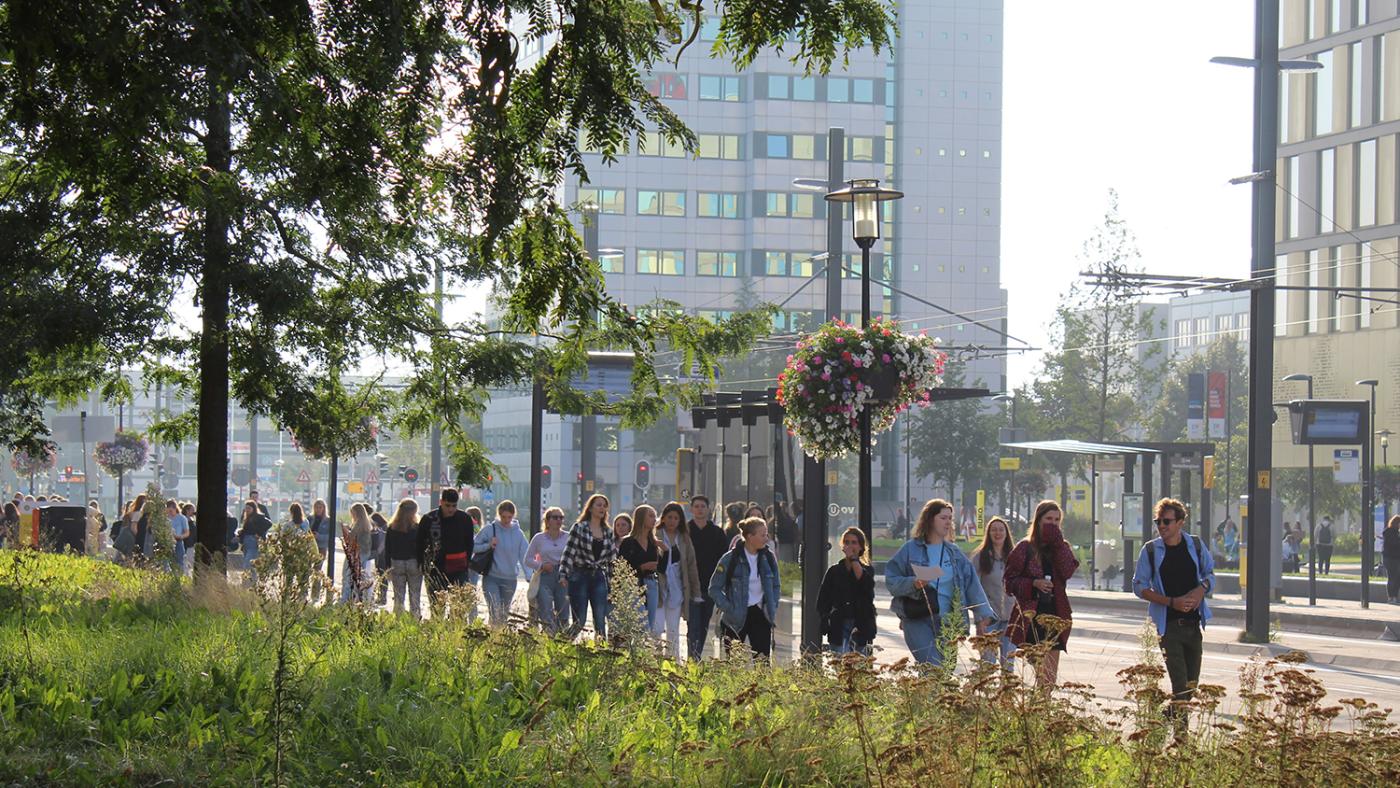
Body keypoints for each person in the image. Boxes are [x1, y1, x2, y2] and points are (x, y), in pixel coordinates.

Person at [1133, 497, 1215, 733]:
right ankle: (1182, 741)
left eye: (1167, 521)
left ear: (1180, 522)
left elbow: (1210, 574)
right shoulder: (1150, 550)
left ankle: (1159, 721)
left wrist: (1201, 590)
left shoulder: (1195, 546)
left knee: (1191, 687)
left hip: (1193, 625)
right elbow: (1139, 586)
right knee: (1180, 687)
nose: (1161, 526)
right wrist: (1171, 602)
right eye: (1158, 521)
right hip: (1169, 627)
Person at [885, 499, 992, 666]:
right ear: (929, 520)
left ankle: (922, 692)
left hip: (949, 621)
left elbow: (973, 586)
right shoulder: (910, 549)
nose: (948, 522)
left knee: (946, 669)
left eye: (950, 518)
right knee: (933, 667)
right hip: (918, 618)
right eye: (943, 518)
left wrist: (983, 615)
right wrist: (913, 583)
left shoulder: (954, 552)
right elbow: (891, 580)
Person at [1004, 500, 1079, 688]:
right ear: (1038, 520)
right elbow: (1009, 582)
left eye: (1056, 520)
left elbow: (1068, 571)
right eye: (1048, 519)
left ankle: (1040, 712)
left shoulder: (1061, 547)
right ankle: (1036, 711)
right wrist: (1034, 583)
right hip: (1032, 617)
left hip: (1055, 615)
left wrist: (1058, 543)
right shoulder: (1025, 548)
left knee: (1049, 680)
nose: (1052, 524)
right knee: (1042, 674)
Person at [709, 516, 781, 660]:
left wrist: (772, 606)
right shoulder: (730, 559)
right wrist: (729, 607)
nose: (766, 538)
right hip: (735, 618)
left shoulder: (768, 557)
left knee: (762, 664)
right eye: (762, 535)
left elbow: (775, 586)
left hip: (761, 615)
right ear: (750, 537)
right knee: (734, 664)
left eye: (766, 534)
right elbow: (714, 588)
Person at [560, 494, 616, 639]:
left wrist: (613, 585)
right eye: (598, 505)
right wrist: (563, 574)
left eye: (604, 506)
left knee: (600, 622)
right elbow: (569, 553)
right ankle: (560, 645)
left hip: (599, 577)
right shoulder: (579, 527)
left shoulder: (608, 532)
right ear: (590, 508)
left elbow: (611, 560)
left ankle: (602, 656)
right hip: (579, 576)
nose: (602, 508)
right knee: (580, 622)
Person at [817, 526, 876, 655]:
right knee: (841, 664)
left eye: (854, 543)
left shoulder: (867, 570)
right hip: (839, 623)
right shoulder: (834, 571)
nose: (850, 546)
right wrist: (825, 618)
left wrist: (854, 559)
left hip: (860, 624)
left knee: (857, 666)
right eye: (847, 542)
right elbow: (823, 598)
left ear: (861, 546)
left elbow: (865, 583)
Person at [656, 501, 701, 659]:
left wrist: (696, 592)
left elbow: (691, 565)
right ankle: (654, 661)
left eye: (676, 518)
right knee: (656, 628)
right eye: (669, 517)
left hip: (677, 587)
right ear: (663, 518)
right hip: (659, 587)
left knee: (673, 629)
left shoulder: (684, 539)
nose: (672, 521)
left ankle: (672, 661)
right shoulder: (656, 535)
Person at [474, 500, 530, 626]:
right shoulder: (490, 529)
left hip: (510, 579)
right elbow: (473, 546)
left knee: (503, 615)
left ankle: (496, 638)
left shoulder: (518, 533)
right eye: (503, 517)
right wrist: (488, 545)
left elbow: (524, 555)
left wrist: (528, 574)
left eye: (509, 517)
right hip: (491, 577)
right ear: (499, 515)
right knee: (495, 611)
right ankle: (493, 637)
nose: (506, 520)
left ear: (513, 516)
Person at [687, 495, 728, 660]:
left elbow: (724, 559)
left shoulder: (717, 532)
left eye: (702, 506)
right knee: (693, 624)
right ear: (691, 509)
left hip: (710, 586)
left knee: (704, 624)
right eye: (696, 506)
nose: (699, 509)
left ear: (708, 509)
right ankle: (692, 657)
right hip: (690, 586)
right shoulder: (686, 530)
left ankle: (696, 655)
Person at [418, 488, 476, 604]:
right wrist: (422, 564)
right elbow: (419, 543)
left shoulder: (464, 519)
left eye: (454, 506)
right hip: (435, 569)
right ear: (441, 502)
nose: (451, 509)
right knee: (437, 607)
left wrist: (467, 563)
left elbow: (469, 543)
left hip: (459, 568)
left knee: (459, 607)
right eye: (447, 505)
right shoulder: (429, 519)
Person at [972, 516, 1016, 670]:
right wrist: (979, 619)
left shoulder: (1015, 556)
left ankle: (1006, 695)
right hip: (989, 619)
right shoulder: (980, 557)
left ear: (1006, 533)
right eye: (994, 530)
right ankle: (976, 693)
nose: (998, 533)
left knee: (1008, 667)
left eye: (1001, 529)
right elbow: (973, 588)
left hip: (1010, 620)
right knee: (988, 666)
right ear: (989, 533)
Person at [619, 504, 668, 636]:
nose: (654, 519)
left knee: (650, 624)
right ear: (641, 518)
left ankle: (640, 654)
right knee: (642, 624)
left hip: (652, 584)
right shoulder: (628, 542)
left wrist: (666, 550)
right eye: (650, 515)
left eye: (655, 516)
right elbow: (621, 566)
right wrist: (641, 567)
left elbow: (662, 568)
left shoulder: (654, 543)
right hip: (634, 585)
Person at [525, 506, 571, 633]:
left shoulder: (568, 537)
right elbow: (527, 559)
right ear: (547, 520)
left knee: (563, 609)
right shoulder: (539, 538)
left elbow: (574, 556)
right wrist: (541, 565)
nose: (558, 520)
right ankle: (549, 636)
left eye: (561, 517)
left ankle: (561, 639)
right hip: (545, 575)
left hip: (563, 575)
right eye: (555, 517)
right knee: (545, 606)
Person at [382, 498, 424, 617]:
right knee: (415, 594)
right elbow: (421, 547)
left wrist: (387, 567)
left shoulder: (392, 527)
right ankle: (415, 618)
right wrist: (422, 563)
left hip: (396, 563)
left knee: (399, 595)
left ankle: (399, 618)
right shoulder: (417, 528)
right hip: (414, 563)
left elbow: (388, 549)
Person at [340, 503, 375, 604]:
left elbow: (351, 538)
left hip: (355, 554)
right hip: (364, 554)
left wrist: (345, 528)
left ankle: (345, 599)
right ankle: (357, 599)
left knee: (347, 576)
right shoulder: (366, 524)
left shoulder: (359, 524)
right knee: (358, 577)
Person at [236, 500, 273, 586]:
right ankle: (251, 583)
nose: (247, 510)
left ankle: (247, 582)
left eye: (249, 508)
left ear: (253, 508)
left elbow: (269, 524)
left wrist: (259, 533)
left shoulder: (258, 516)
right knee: (251, 564)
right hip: (246, 542)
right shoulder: (247, 518)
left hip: (253, 541)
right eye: (246, 509)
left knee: (248, 563)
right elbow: (247, 529)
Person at [370, 510, 390, 605]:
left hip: (383, 556)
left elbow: (383, 543)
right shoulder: (383, 527)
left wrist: (377, 553)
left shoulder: (384, 529)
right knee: (381, 576)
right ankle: (381, 596)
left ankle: (382, 597)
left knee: (382, 576)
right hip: (382, 556)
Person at [166, 499, 189, 572]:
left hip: (178, 541)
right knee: (167, 563)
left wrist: (180, 536)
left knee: (179, 562)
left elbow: (187, 532)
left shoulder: (182, 518)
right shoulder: (165, 518)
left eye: (171, 509)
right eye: (168, 509)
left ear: (175, 508)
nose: (170, 511)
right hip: (167, 542)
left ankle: (179, 577)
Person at [1383, 515, 1400, 603]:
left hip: (1395, 558)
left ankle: (1394, 596)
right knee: (1392, 577)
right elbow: (1394, 544)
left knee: (1397, 578)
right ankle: (1391, 597)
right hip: (1390, 558)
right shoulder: (1389, 532)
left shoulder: (1395, 532)